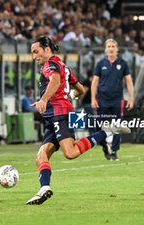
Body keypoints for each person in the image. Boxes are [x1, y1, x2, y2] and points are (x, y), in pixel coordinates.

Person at [26, 36, 130, 205]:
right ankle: (44, 188)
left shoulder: (51, 64)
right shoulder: (62, 65)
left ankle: (108, 131)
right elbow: (81, 89)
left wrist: (44, 99)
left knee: (70, 153)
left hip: (61, 113)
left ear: (46, 49)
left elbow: (55, 80)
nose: (34, 56)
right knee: (41, 155)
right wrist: (73, 95)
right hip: (54, 115)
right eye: (32, 53)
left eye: (36, 51)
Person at [91, 38, 134, 161]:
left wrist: (131, 98)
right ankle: (104, 146)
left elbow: (129, 82)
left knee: (117, 125)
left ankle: (114, 150)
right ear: (105, 49)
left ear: (117, 49)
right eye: (108, 46)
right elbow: (94, 82)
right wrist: (93, 98)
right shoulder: (100, 64)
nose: (110, 48)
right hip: (102, 100)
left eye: (112, 46)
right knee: (98, 126)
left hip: (117, 100)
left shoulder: (123, 63)